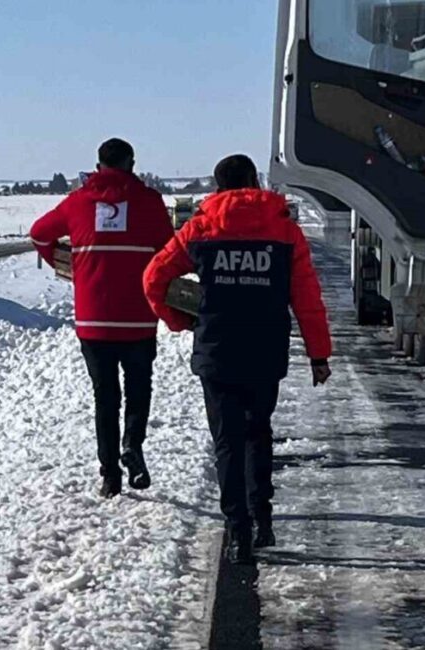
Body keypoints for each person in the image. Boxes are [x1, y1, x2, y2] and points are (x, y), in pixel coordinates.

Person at [142, 154, 332, 563]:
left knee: (227, 442)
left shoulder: (200, 228)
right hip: (265, 352)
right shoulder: (285, 231)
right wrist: (319, 354)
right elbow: (307, 299)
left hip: (217, 352)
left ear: (217, 186)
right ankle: (263, 519)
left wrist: (177, 319)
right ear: (253, 181)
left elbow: (153, 279)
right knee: (258, 432)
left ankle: (237, 531)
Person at [31, 138, 175, 498]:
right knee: (139, 388)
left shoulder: (78, 201)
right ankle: (132, 447)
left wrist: (66, 265)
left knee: (105, 396)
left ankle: (109, 473)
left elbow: (38, 234)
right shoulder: (150, 202)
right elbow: (169, 250)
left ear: (98, 166)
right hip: (139, 318)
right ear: (131, 164)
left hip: (94, 320)